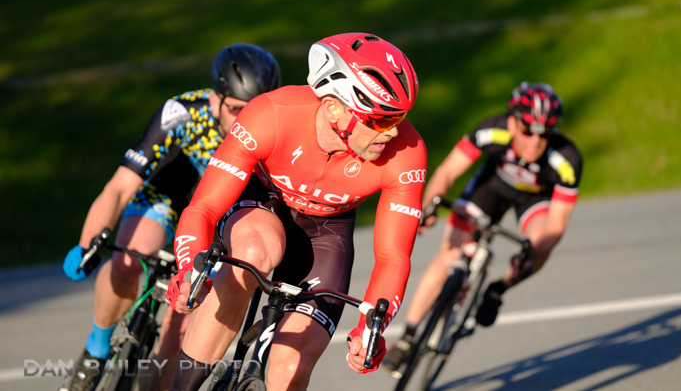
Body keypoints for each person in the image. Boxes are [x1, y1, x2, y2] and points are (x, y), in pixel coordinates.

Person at [164, 32, 427, 390]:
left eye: (400, 116)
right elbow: (205, 207)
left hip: (327, 232)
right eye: (380, 119)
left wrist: (372, 327)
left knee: (291, 367)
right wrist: (189, 270)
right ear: (335, 108)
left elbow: (393, 256)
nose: (392, 133)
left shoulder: (407, 153)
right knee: (258, 251)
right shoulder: (272, 114)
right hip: (264, 201)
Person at [61, 43, 281, 391]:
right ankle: (96, 348)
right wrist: (87, 243)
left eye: (251, 110)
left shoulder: (271, 129)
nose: (243, 119)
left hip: (216, 214)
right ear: (215, 99)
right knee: (129, 261)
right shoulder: (180, 113)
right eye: (236, 109)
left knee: (180, 332)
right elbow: (119, 187)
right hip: (167, 197)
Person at [382, 82, 583, 372]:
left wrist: (532, 253)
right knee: (449, 255)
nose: (536, 142)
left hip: (533, 200)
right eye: (528, 131)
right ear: (513, 123)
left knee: (540, 246)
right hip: (490, 189)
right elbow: (448, 171)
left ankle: (496, 290)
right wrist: (427, 209)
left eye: (545, 133)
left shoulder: (566, 159)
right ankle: (407, 338)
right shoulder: (493, 130)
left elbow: (557, 224)